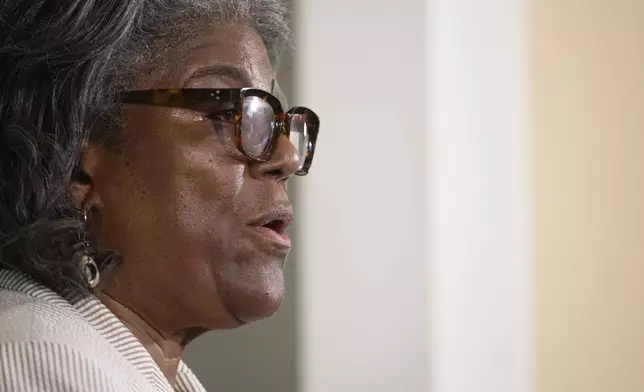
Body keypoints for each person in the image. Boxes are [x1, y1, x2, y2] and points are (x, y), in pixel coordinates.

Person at [0, 0, 320, 391]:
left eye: (273, 123)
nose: (285, 156)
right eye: (227, 114)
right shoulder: (43, 355)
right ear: (79, 161)